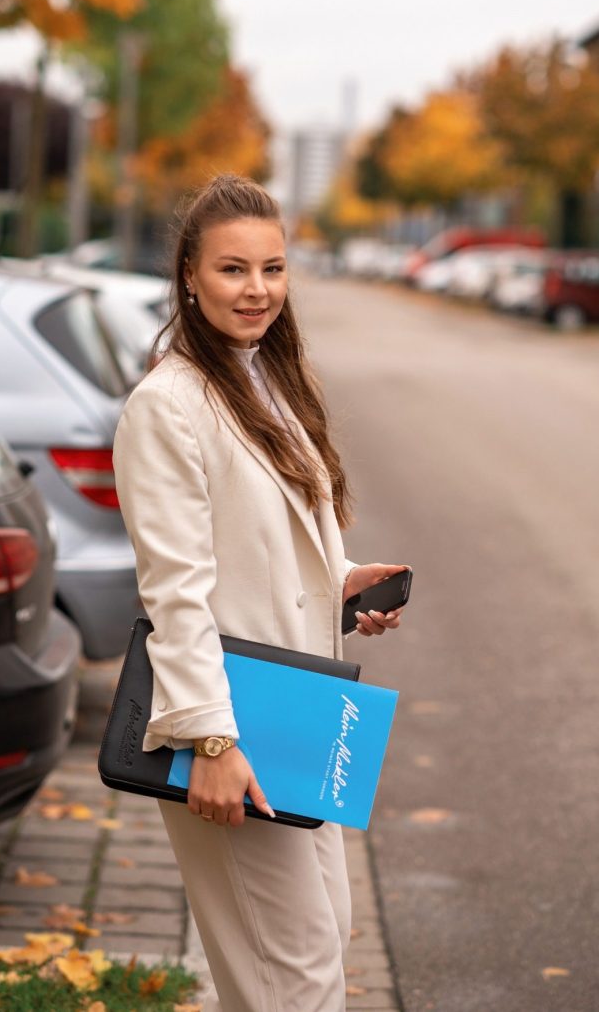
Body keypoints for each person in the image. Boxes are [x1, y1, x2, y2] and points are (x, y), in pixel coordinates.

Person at [113, 173, 406, 1012]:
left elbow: (260, 548)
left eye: (273, 269)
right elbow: (176, 591)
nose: (258, 290)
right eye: (234, 270)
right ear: (190, 278)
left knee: (311, 954)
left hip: (295, 717)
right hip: (233, 734)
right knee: (294, 979)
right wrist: (208, 742)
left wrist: (342, 583)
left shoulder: (267, 381)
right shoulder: (167, 407)